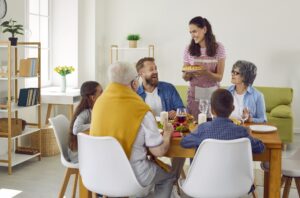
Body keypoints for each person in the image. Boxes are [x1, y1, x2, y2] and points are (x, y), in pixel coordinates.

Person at [90, 62, 175, 198]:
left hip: (99, 172)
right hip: (130, 174)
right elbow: (158, 151)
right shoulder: (140, 109)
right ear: (135, 83)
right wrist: (167, 134)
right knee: (169, 176)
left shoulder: (99, 103)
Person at [181, 88, 265, 154]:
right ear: (232, 109)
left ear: (212, 110)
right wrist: (249, 134)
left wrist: (195, 130)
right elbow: (260, 148)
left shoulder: (202, 129)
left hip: (207, 175)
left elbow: (184, 142)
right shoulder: (241, 131)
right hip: (233, 175)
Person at [182, 16, 226, 119]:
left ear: (205, 29)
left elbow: (219, 77)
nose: (193, 35)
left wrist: (206, 73)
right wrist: (189, 73)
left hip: (214, 97)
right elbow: (184, 77)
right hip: (194, 96)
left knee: (213, 126)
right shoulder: (188, 49)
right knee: (195, 126)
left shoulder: (219, 48)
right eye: (190, 32)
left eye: (195, 31)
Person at [68, 81, 103, 163]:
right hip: (77, 155)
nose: (103, 94)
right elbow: (76, 129)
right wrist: (94, 125)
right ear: (93, 97)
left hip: (85, 150)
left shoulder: (96, 109)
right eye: (101, 92)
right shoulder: (85, 112)